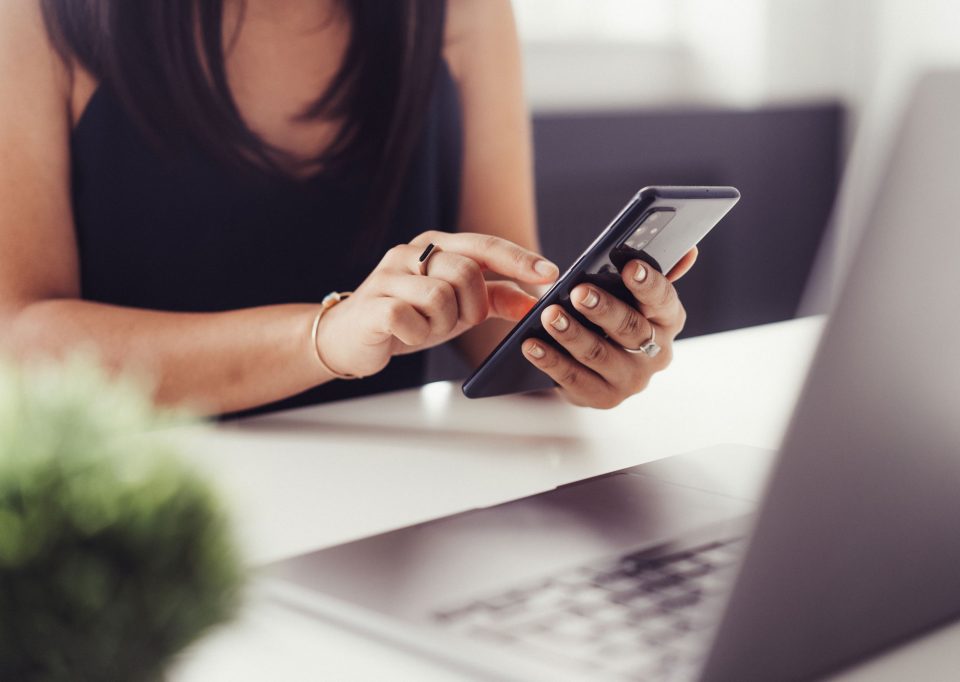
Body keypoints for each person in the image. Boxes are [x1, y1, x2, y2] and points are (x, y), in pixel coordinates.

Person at [0, 0, 697, 417]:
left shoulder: (461, 11)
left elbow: (499, 323)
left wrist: (590, 350)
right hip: (133, 526)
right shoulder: (36, 17)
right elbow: (18, 340)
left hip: (384, 512)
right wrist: (325, 337)